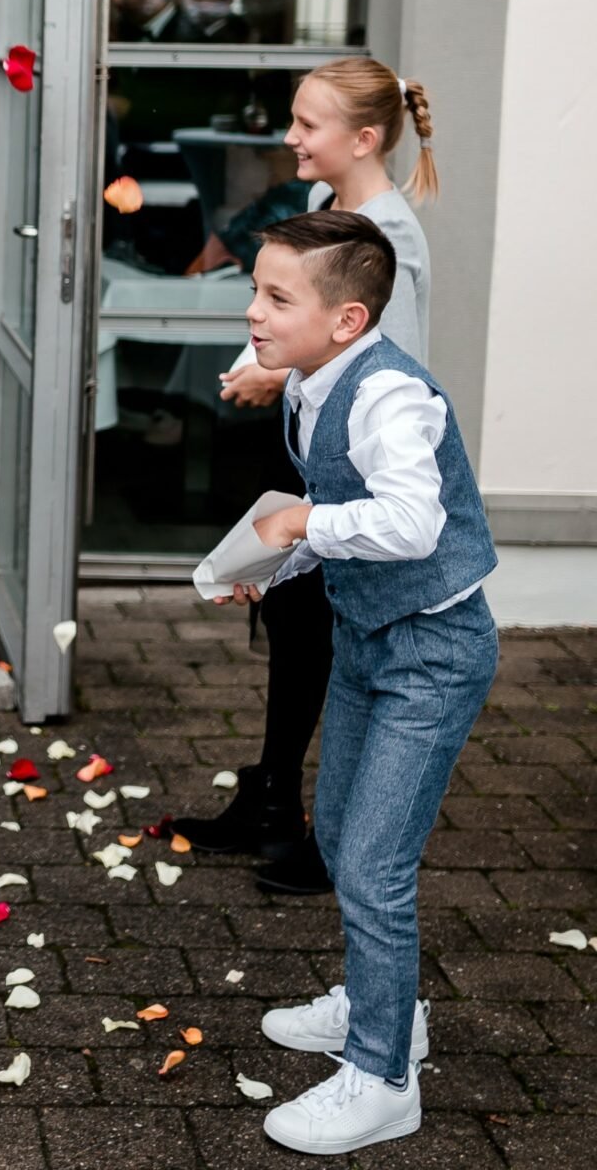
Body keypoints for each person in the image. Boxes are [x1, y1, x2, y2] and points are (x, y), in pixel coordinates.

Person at [224, 211, 497, 1155]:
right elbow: (336, 514)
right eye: (256, 288)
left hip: (434, 649)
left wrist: (300, 529)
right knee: (338, 833)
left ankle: (384, 1076)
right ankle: (385, 1008)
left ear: (347, 318)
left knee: (376, 866)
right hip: (367, 640)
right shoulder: (309, 384)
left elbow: (411, 526)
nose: (253, 311)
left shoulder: (391, 398)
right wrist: (270, 566)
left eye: (275, 296)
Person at [179, 58, 439, 895]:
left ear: (363, 139)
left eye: (306, 124)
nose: (289, 137)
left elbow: (373, 371)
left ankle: (326, 834)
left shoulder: (386, 239)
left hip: (353, 491)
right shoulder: (332, 212)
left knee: (331, 656)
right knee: (293, 641)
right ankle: (275, 800)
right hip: (310, 469)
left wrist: (273, 377)